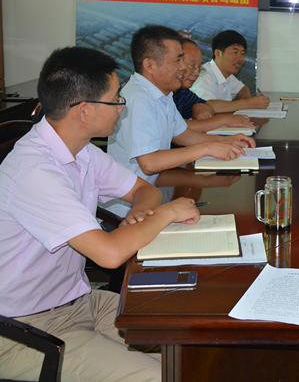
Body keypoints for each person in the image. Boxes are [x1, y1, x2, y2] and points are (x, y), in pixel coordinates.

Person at [0, 47, 201, 382]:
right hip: (24, 329)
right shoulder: (35, 171)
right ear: (84, 111)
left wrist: (141, 213)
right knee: (163, 376)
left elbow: (144, 190)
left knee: (194, 348)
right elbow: (109, 254)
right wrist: (164, 214)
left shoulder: (82, 151)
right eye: (116, 99)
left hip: (81, 301)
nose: (122, 106)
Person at [108, 25, 255, 190]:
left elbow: (183, 135)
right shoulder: (138, 99)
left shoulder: (163, 94)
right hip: (130, 201)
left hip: (152, 189)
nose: (183, 68)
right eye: (177, 60)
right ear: (150, 65)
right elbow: (149, 163)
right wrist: (207, 148)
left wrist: (228, 141)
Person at [174, 38, 256, 133]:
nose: (197, 73)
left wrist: (198, 106)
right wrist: (224, 119)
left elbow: (207, 106)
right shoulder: (165, 93)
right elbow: (175, 128)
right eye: (192, 65)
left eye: (199, 67)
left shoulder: (183, 92)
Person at [189, 30, 270, 107]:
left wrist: (246, 100)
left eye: (242, 53)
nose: (240, 58)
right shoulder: (202, 76)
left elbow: (243, 89)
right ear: (218, 54)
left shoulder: (227, 75)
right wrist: (247, 103)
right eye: (235, 52)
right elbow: (207, 106)